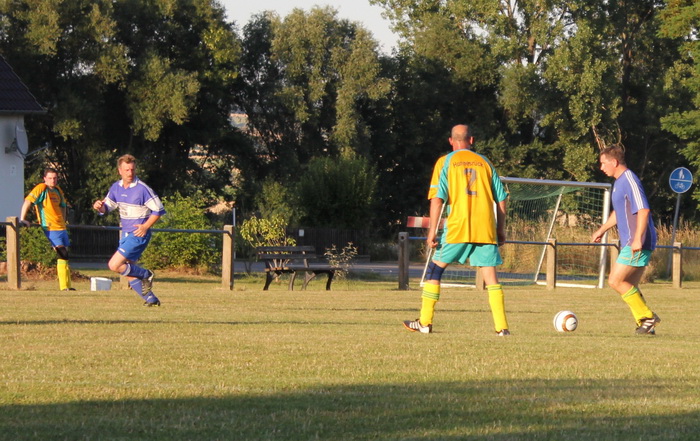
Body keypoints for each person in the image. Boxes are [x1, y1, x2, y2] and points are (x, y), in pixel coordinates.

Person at [403, 124, 511, 335]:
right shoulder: (485, 162)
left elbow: (437, 199)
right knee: (491, 277)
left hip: (458, 227)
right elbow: (501, 199)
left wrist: (432, 232)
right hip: (485, 227)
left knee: (435, 270)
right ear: (471, 140)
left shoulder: (445, 162)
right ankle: (502, 328)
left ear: (451, 141)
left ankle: (425, 322)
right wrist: (500, 229)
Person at [591, 144, 660, 334]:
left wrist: (637, 239)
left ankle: (648, 317)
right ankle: (645, 325)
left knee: (615, 281)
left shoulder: (630, 179)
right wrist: (602, 229)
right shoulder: (618, 183)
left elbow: (644, 210)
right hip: (633, 241)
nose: (601, 167)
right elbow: (619, 212)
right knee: (629, 285)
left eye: (603, 163)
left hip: (638, 241)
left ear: (614, 162)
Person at [93, 154, 165, 306]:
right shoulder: (116, 187)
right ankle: (151, 299)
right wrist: (100, 207)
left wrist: (145, 226)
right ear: (120, 171)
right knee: (127, 270)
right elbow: (107, 207)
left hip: (138, 234)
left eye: (132, 169)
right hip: (125, 233)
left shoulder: (142, 189)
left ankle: (146, 274)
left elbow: (158, 210)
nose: (130, 173)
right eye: (126, 170)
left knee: (114, 265)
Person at [19, 167, 75, 291]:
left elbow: (63, 206)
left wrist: (64, 220)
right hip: (50, 227)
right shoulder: (41, 188)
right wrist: (23, 219)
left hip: (61, 227)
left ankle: (68, 286)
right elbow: (28, 201)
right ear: (45, 178)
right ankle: (63, 286)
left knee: (65, 255)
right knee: (62, 252)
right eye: (50, 178)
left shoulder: (58, 190)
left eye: (55, 178)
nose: (52, 180)